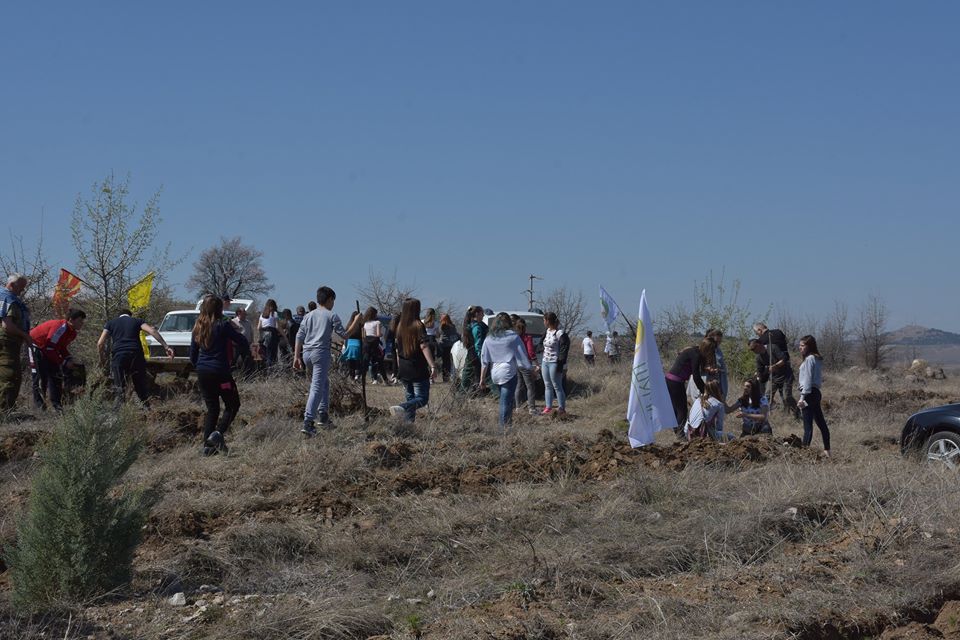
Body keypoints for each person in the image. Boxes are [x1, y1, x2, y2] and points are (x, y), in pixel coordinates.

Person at [294, 286, 360, 435]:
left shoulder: (308, 316)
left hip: (306, 353)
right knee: (316, 387)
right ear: (330, 300)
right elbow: (344, 335)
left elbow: (299, 336)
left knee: (324, 383)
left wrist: (296, 356)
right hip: (320, 354)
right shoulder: (332, 316)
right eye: (333, 301)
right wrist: (356, 321)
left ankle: (323, 415)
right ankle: (308, 422)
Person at [190, 295, 249, 456]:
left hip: (203, 373)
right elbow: (241, 341)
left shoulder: (198, 326)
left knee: (212, 409)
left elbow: (192, 355)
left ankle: (207, 448)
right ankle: (218, 434)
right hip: (221, 373)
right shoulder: (222, 325)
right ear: (220, 309)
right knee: (232, 405)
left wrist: (201, 367)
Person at [98, 309, 173, 408]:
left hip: (119, 356)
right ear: (130, 315)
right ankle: (147, 410)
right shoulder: (137, 321)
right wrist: (166, 347)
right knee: (140, 386)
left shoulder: (110, 323)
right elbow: (152, 331)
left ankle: (116, 415)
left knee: (119, 387)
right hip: (136, 355)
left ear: (119, 316)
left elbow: (100, 343)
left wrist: (102, 359)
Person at [480, 312, 533, 428]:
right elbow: (522, 356)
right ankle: (503, 428)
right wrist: (531, 368)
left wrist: (482, 379)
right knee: (506, 402)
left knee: (506, 400)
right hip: (508, 372)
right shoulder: (513, 337)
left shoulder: (489, 338)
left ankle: (507, 425)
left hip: (495, 373)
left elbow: (484, 360)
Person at [29, 309, 86, 411]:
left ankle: (56, 405)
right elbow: (49, 348)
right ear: (71, 320)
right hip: (36, 346)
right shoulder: (61, 328)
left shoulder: (72, 333)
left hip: (48, 349)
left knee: (56, 376)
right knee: (40, 376)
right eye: (80, 320)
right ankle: (39, 406)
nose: (82, 323)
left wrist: (69, 358)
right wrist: (64, 362)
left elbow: (60, 347)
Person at [390, 298, 436, 423]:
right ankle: (402, 407)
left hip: (404, 368)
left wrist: (399, 368)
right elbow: (424, 346)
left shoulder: (399, 326)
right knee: (422, 398)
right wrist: (433, 365)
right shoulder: (418, 325)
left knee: (410, 398)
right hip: (417, 368)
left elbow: (397, 350)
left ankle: (408, 425)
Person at [0, 274, 34, 413]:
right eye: (21, 287)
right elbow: (7, 325)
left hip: (12, 342)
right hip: (7, 341)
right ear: (12, 285)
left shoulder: (11, 298)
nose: (22, 290)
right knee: (10, 376)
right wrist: (25, 336)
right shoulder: (7, 298)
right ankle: (4, 412)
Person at [665, 339, 715, 431]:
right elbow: (696, 376)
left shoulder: (694, 350)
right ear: (707, 350)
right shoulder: (696, 355)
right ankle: (680, 435)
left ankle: (678, 432)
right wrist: (705, 390)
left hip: (670, 380)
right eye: (711, 351)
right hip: (675, 382)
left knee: (676, 409)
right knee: (682, 410)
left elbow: (692, 368)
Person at [749, 337, 800, 420]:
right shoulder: (758, 357)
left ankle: (797, 412)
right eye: (751, 350)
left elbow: (784, 359)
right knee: (767, 397)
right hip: (773, 378)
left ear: (758, 345)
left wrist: (775, 366)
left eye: (753, 348)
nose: (753, 351)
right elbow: (760, 371)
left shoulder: (772, 347)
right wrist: (758, 376)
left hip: (786, 376)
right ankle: (764, 417)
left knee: (787, 397)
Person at [798, 334, 830, 457]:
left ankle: (803, 454)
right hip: (816, 393)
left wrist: (802, 398)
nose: (800, 348)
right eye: (799, 345)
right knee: (821, 423)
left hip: (809, 393)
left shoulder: (810, 359)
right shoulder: (817, 359)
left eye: (802, 345)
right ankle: (827, 451)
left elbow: (807, 379)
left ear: (809, 346)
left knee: (807, 426)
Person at [541, 312, 569, 415]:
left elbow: (564, 347)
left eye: (544, 320)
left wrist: (561, 362)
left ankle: (561, 408)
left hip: (555, 362)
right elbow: (542, 343)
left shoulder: (559, 333)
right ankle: (548, 407)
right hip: (545, 361)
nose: (543, 322)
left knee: (557, 385)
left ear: (548, 321)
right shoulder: (547, 331)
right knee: (547, 385)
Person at [513, 317, 539, 415]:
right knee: (530, 386)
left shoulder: (514, 337)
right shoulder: (528, 338)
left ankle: (518, 407)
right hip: (525, 364)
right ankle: (532, 408)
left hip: (516, 363)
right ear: (525, 327)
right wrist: (536, 364)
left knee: (519, 385)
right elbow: (531, 352)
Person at [459, 305, 487, 393]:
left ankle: (464, 392)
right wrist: (481, 356)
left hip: (471, 354)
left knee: (468, 375)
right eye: (482, 313)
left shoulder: (472, 324)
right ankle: (462, 393)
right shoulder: (476, 327)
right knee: (470, 376)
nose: (483, 315)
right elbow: (478, 344)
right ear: (477, 314)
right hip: (475, 355)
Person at [362, 307, 385, 384]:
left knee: (366, 362)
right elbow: (378, 334)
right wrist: (382, 334)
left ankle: (363, 378)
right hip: (375, 344)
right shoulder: (377, 323)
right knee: (379, 362)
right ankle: (385, 379)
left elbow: (364, 336)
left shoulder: (365, 324)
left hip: (366, 344)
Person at [340, 310, 364, 381]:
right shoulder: (360, 326)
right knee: (358, 362)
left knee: (351, 362)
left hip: (349, 345)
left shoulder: (348, 325)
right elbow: (363, 336)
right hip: (358, 344)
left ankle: (352, 377)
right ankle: (357, 375)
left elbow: (345, 336)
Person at [258, 299, 282, 368]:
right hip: (272, 334)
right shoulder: (274, 313)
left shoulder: (262, 314)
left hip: (264, 335)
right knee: (272, 355)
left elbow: (258, 327)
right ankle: (271, 372)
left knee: (265, 354)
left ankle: (264, 371)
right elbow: (277, 327)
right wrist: (284, 336)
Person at [437, 313, 460, 382]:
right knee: (453, 362)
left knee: (445, 362)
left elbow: (438, 334)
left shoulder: (442, 326)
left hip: (444, 346)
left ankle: (446, 377)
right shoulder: (452, 326)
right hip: (453, 345)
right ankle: (454, 376)